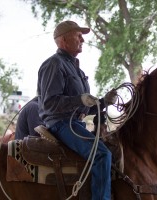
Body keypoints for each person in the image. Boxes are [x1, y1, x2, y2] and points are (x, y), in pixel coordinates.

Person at [37, 20, 117, 199]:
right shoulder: (54, 64)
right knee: (102, 154)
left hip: (74, 123)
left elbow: (84, 109)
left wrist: (104, 102)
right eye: (79, 35)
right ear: (64, 40)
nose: (83, 39)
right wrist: (79, 99)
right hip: (60, 124)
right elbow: (49, 104)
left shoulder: (75, 68)